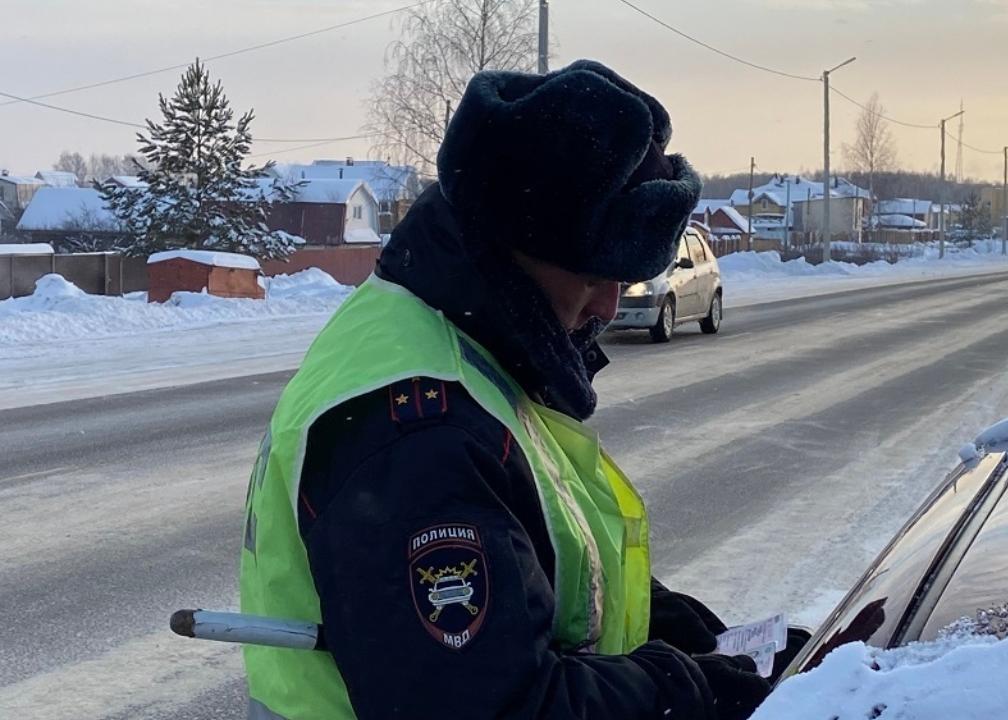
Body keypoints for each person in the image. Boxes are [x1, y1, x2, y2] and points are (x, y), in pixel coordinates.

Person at [239, 60, 776, 720]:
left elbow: (550, 567)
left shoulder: (453, 342)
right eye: (594, 274)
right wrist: (694, 690)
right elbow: (493, 708)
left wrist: (711, 645)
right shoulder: (420, 434)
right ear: (514, 249)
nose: (610, 304)